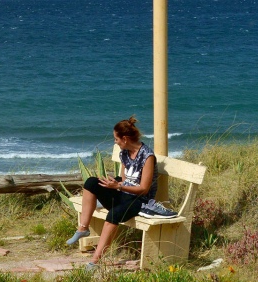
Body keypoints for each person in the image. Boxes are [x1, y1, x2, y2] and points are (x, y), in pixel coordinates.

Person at [66, 116, 177, 270]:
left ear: (124, 139)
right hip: (124, 192)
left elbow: (144, 188)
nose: (115, 142)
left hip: (140, 199)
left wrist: (117, 186)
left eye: (116, 139)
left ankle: (95, 261)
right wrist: (115, 185)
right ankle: (83, 229)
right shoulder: (124, 153)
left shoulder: (147, 156)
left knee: (113, 214)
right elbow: (124, 180)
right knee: (91, 182)